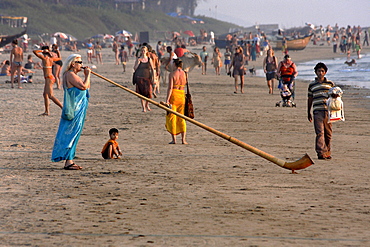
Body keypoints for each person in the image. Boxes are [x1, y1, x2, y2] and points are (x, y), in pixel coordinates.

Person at [51, 54, 91, 170]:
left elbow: (87, 86)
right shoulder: (69, 74)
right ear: (73, 64)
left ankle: (70, 159)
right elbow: (84, 86)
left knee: (75, 133)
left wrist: (86, 76)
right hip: (73, 110)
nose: (81, 64)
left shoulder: (74, 75)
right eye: (79, 62)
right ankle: (68, 161)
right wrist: (88, 75)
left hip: (79, 109)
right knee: (71, 133)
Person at [307, 62, 335, 160]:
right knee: (320, 133)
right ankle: (320, 153)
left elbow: (335, 98)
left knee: (328, 134)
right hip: (317, 111)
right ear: (315, 72)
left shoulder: (330, 84)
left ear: (325, 72)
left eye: (322, 71)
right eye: (319, 71)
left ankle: (327, 151)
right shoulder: (312, 85)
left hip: (328, 112)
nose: (320, 73)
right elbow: (310, 99)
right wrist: (308, 112)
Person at [33, 46, 63, 115]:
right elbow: (59, 58)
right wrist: (57, 52)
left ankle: (63, 108)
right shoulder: (51, 59)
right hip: (49, 78)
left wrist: (42, 51)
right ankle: (46, 111)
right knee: (45, 94)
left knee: (50, 95)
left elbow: (34, 52)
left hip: (49, 78)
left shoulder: (44, 58)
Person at [165, 59, 187, 145]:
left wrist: (167, 99)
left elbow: (170, 88)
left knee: (172, 117)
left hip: (174, 95)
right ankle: (183, 139)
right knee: (181, 117)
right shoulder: (184, 73)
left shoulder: (172, 74)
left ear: (174, 64)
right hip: (182, 95)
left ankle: (174, 139)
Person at [133, 46, 155, 112]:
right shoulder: (138, 59)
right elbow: (134, 68)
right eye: (142, 51)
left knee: (149, 92)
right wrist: (138, 63)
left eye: (144, 51)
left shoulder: (149, 59)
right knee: (141, 94)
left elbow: (152, 69)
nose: (143, 52)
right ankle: (143, 107)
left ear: (146, 51)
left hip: (147, 77)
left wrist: (154, 78)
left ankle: (147, 105)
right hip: (140, 77)